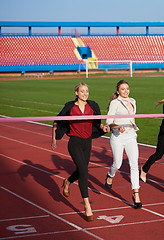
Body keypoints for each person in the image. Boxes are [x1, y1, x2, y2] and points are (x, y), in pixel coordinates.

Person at [51, 82, 110, 221]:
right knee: (84, 172)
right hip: (75, 143)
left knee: (82, 170)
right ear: (76, 93)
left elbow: (98, 123)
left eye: (87, 91)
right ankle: (87, 206)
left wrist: (103, 128)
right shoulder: (70, 106)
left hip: (87, 142)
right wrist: (54, 137)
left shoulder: (93, 105)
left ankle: (67, 182)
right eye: (82, 91)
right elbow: (57, 120)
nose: (85, 94)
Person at [104, 80, 142, 209]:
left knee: (134, 165)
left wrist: (134, 131)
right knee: (118, 164)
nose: (126, 91)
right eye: (123, 89)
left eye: (127, 89)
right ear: (118, 91)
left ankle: (136, 194)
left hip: (131, 136)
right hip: (117, 137)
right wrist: (118, 126)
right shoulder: (115, 103)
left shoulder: (133, 100)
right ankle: (110, 174)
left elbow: (133, 117)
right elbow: (109, 122)